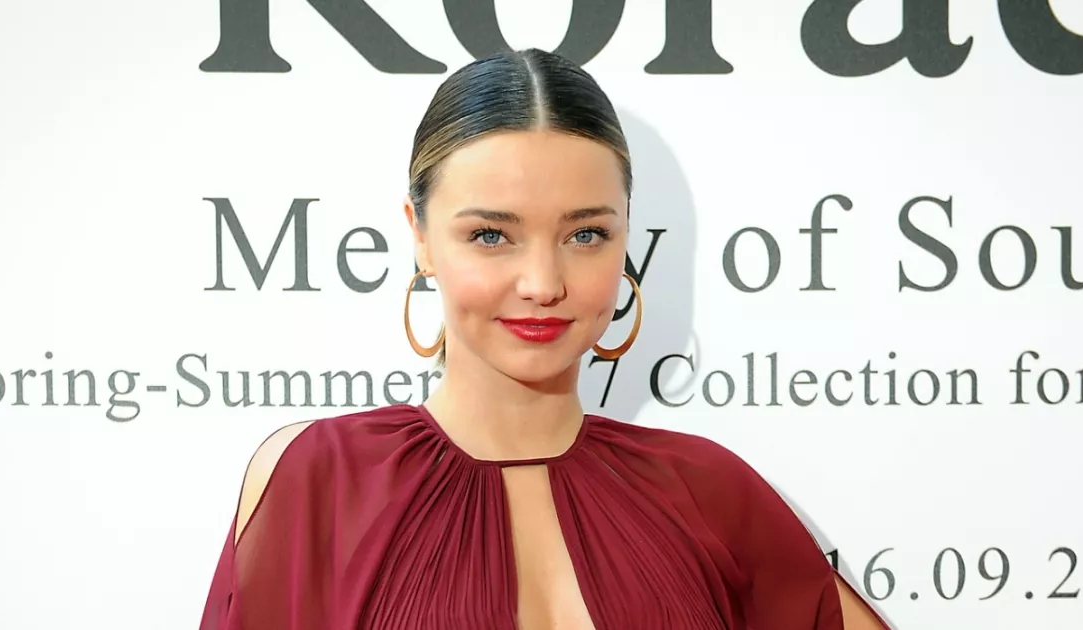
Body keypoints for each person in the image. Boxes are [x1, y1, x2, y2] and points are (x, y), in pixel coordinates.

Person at [198, 48, 891, 630]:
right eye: (490, 235)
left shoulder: (708, 491)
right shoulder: (319, 479)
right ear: (421, 237)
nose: (543, 283)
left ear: (626, 237)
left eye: (585, 234)